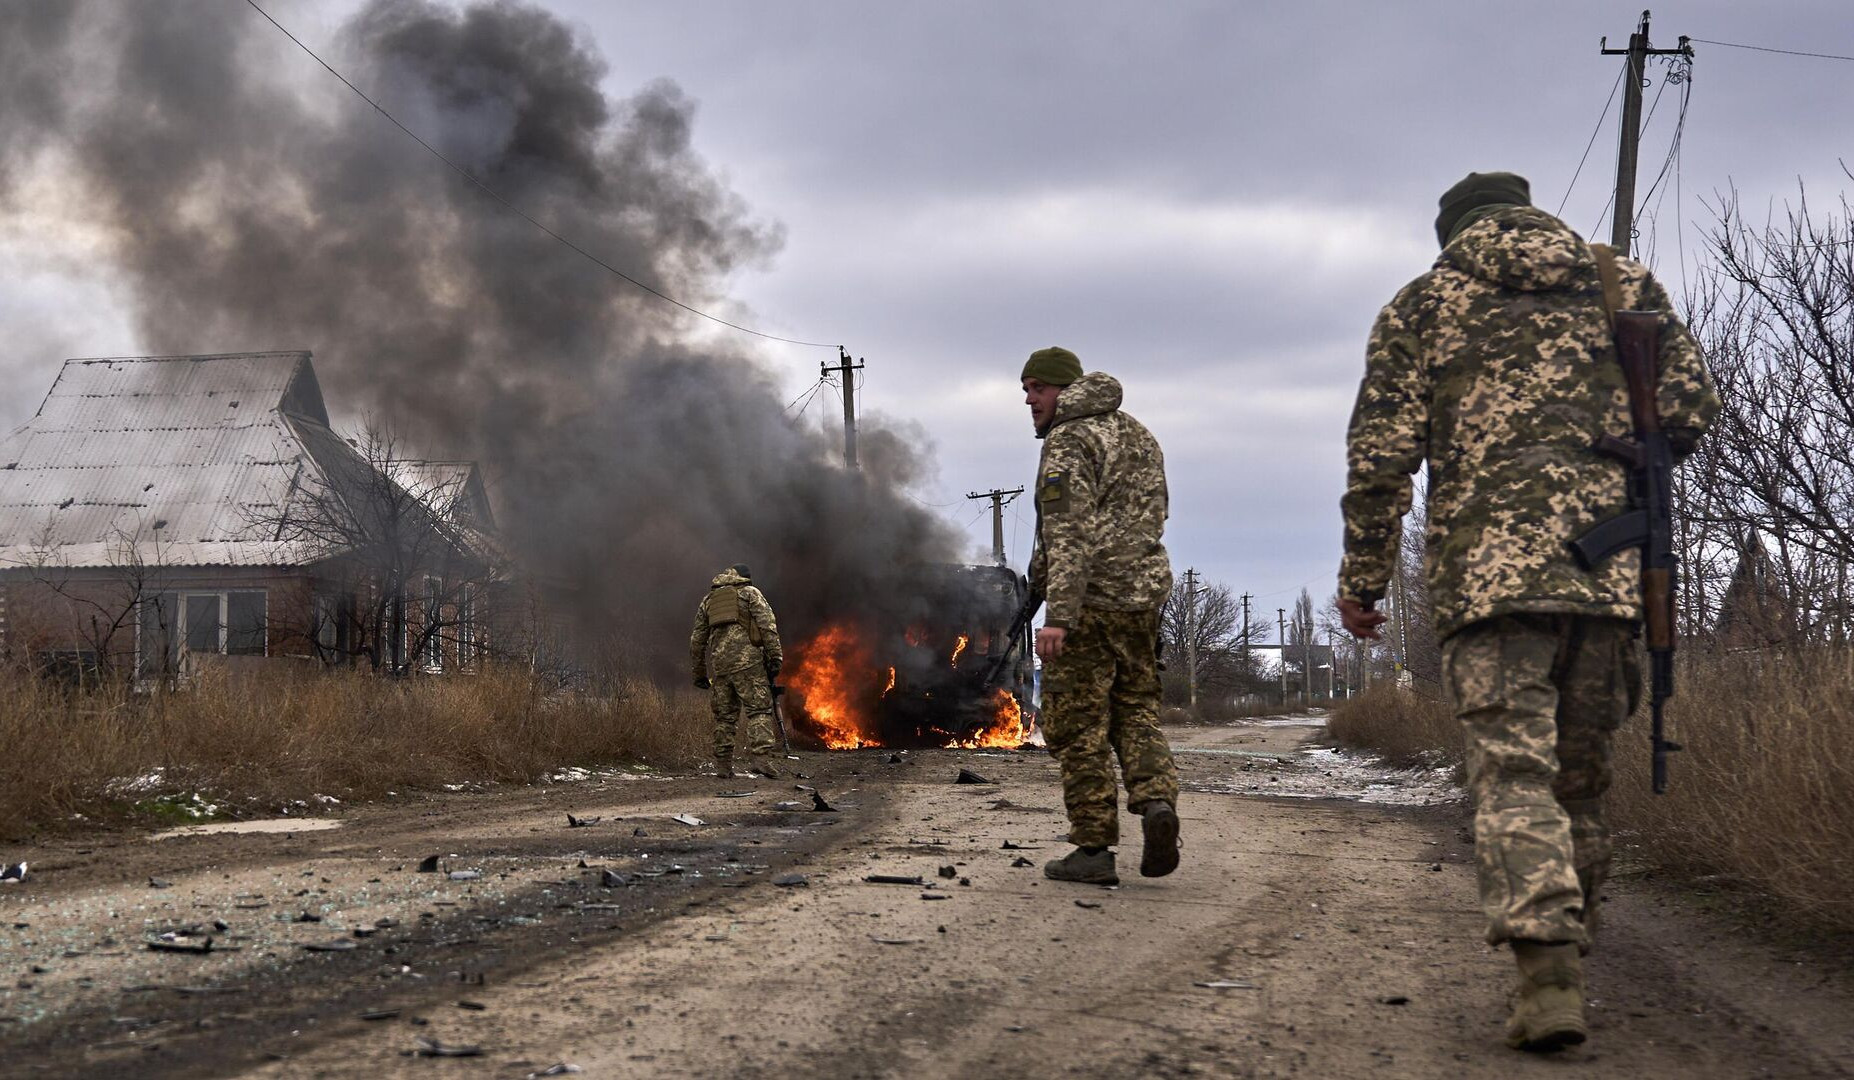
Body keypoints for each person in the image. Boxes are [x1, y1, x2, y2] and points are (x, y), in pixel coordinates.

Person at [1337, 172, 1718, 1052]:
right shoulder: (1622, 284)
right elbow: (1694, 410)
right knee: (1580, 781)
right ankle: (1571, 946)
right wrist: (1615, 453)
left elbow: (1380, 460)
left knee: (1513, 775)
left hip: (1489, 587)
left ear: (1452, 234)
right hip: (1613, 579)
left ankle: (1547, 974)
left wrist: (1363, 581)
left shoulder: (1424, 303)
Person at [1022, 345, 1181, 886]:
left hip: (1089, 604)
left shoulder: (1071, 439)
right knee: (1135, 710)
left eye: (1037, 388)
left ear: (1064, 389)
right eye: (1025, 389)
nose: (1029, 399)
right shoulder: (1138, 434)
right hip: (1142, 602)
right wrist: (1034, 585)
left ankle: (1093, 849)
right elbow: (1153, 514)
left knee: (1077, 725)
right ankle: (1157, 801)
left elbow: (1068, 534)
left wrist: (1057, 614)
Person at [689, 564, 784, 779]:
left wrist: (699, 673)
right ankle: (761, 760)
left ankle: (723, 766)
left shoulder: (709, 600)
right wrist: (775, 657)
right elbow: (768, 626)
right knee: (758, 711)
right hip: (748, 664)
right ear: (745, 579)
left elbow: (697, 641)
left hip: (720, 668)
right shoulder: (750, 594)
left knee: (725, 717)